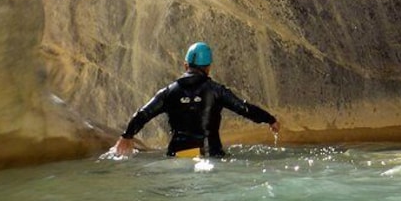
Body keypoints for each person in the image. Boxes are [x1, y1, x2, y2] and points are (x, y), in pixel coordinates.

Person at [111, 41, 280, 158]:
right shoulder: (217, 91)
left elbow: (143, 114)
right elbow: (244, 108)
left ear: (186, 66)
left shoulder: (168, 92)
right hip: (209, 154)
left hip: (177, 154)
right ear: (208, 67)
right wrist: (270, 120)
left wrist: (127, 136)